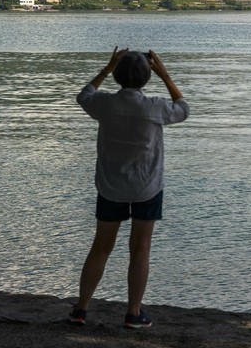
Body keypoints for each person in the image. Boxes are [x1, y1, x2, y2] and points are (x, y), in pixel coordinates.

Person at [70, 47, 189, 329]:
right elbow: (184, 108)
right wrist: (166, 76)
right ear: (147, 78)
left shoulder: (105, 104)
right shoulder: (155, 107)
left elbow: (83, 95)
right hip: (147, 186)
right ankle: (133, 313)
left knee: (101, 248)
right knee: (140, 248)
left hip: (111, 186)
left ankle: (81, 309)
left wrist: (105, 69)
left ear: (117, 76)